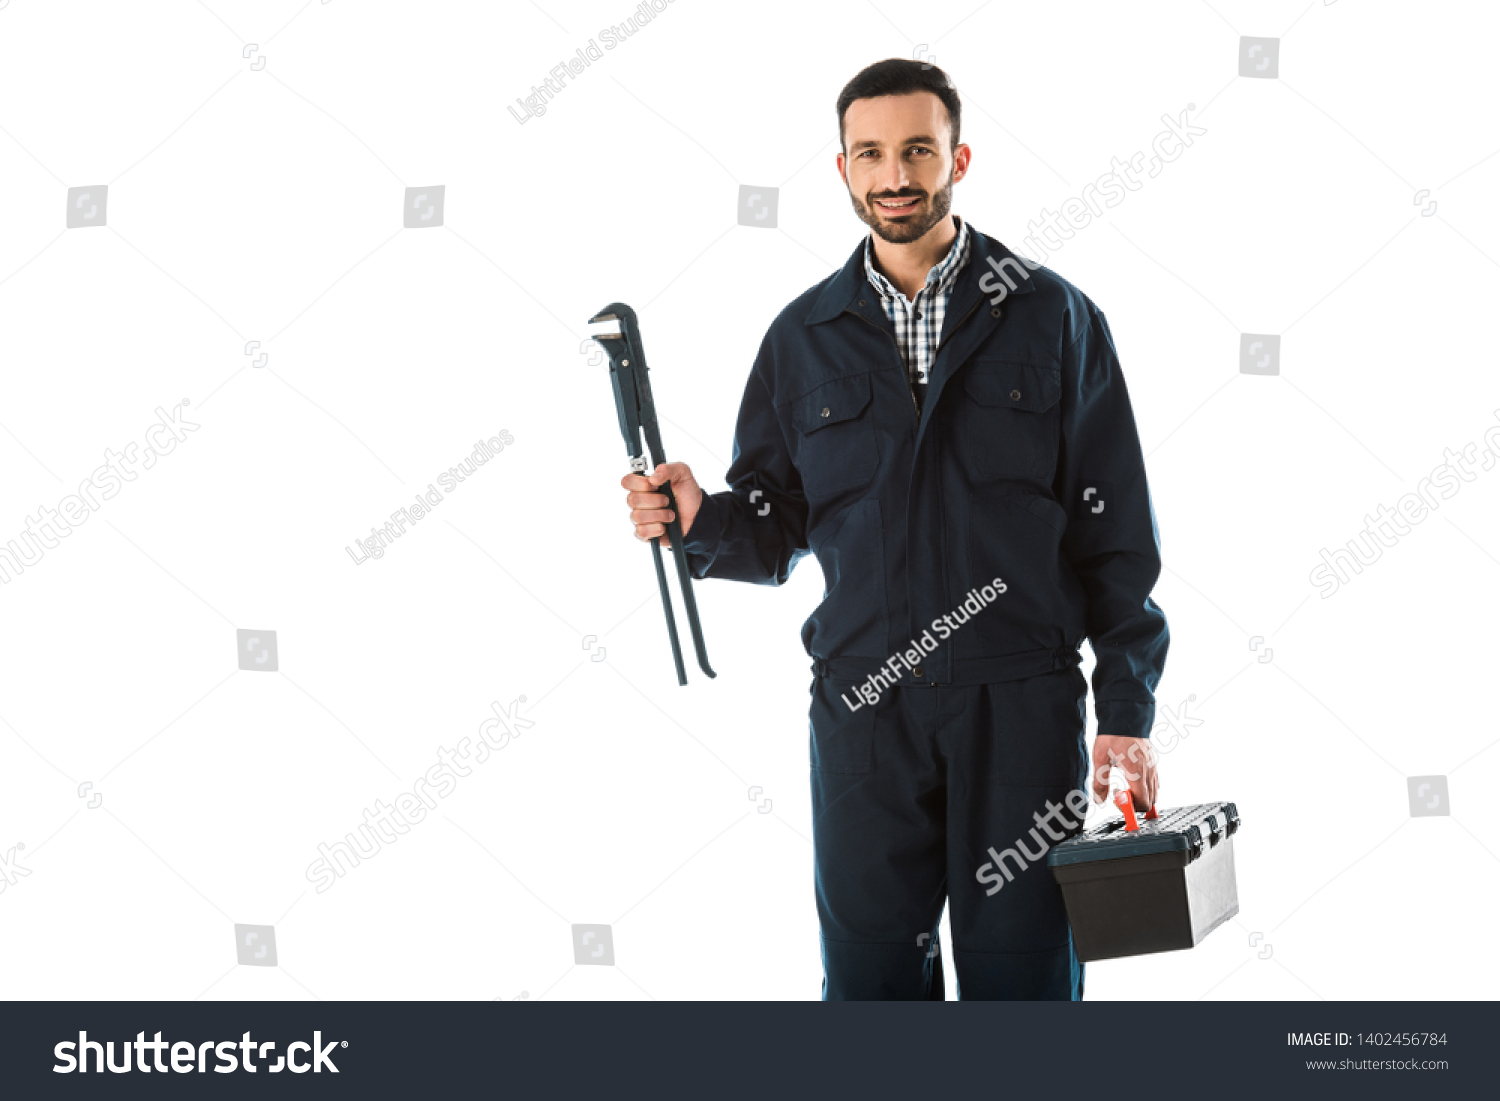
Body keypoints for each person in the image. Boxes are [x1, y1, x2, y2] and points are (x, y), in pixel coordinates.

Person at [620, 58, 1168, 1000]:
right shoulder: (803, 337)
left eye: (917, 149)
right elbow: (776, 520)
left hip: (1021, 713)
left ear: (959, 156)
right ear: (842, 169)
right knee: (872, 985)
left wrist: (1125, 715)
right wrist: (698, 515)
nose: (896, 175)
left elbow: (1114, 537)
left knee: (1026, 979)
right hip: (865, 709)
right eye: (870, 153)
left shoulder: (1055, 317)